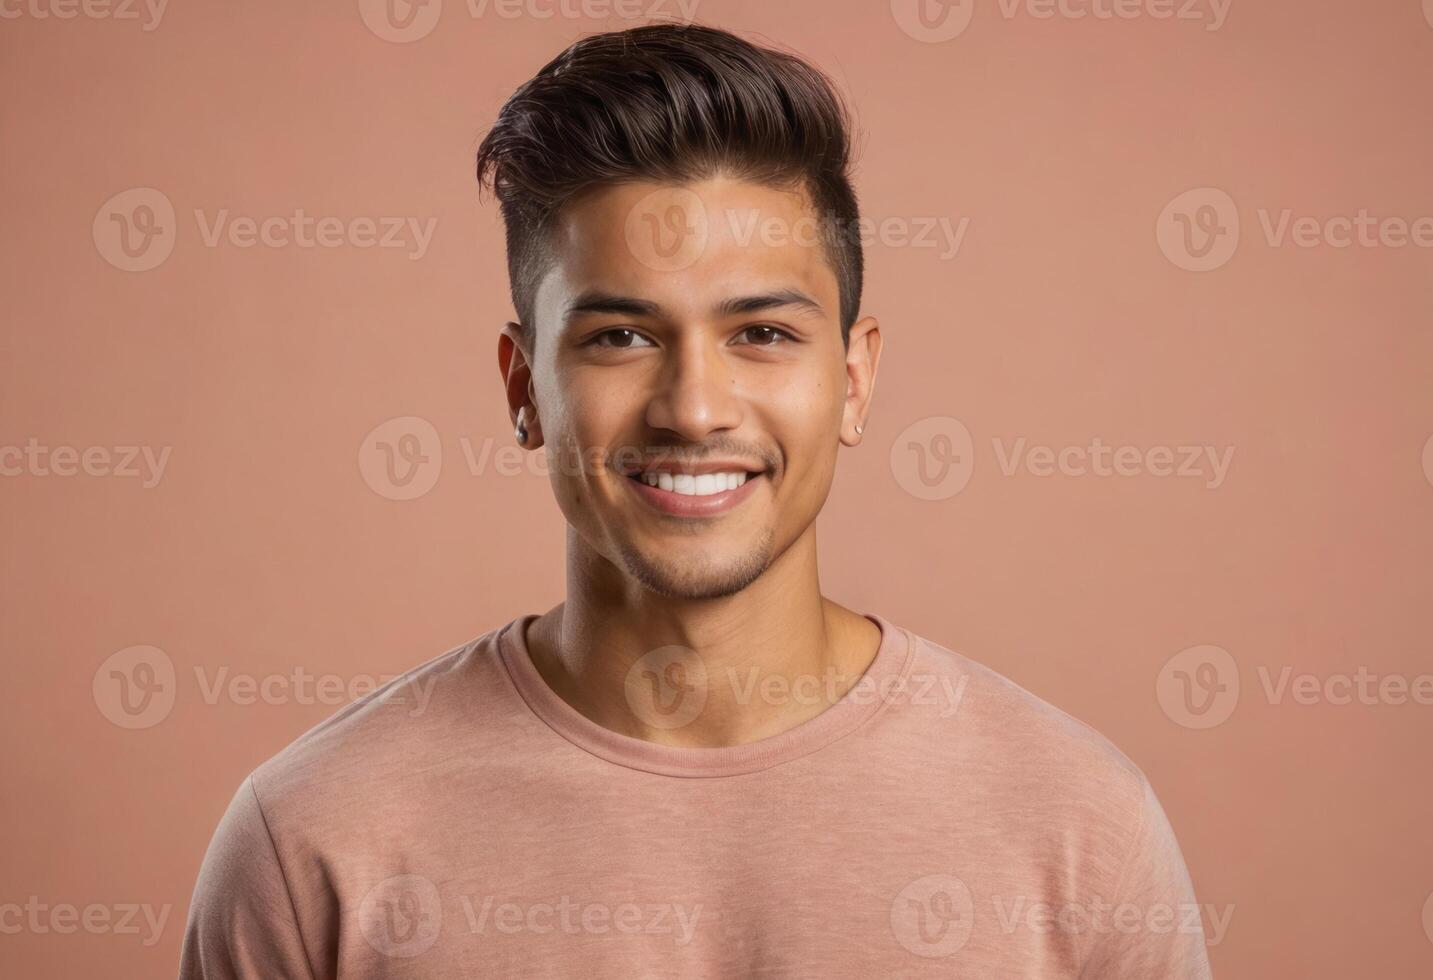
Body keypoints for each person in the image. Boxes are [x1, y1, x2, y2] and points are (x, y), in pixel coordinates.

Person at [178, 22, 1213, 979]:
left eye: (761, 332)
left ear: (852, 381)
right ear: (522, 387)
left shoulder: (1077, 827)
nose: (693, 407)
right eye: (619, 336)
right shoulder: (313, 840)